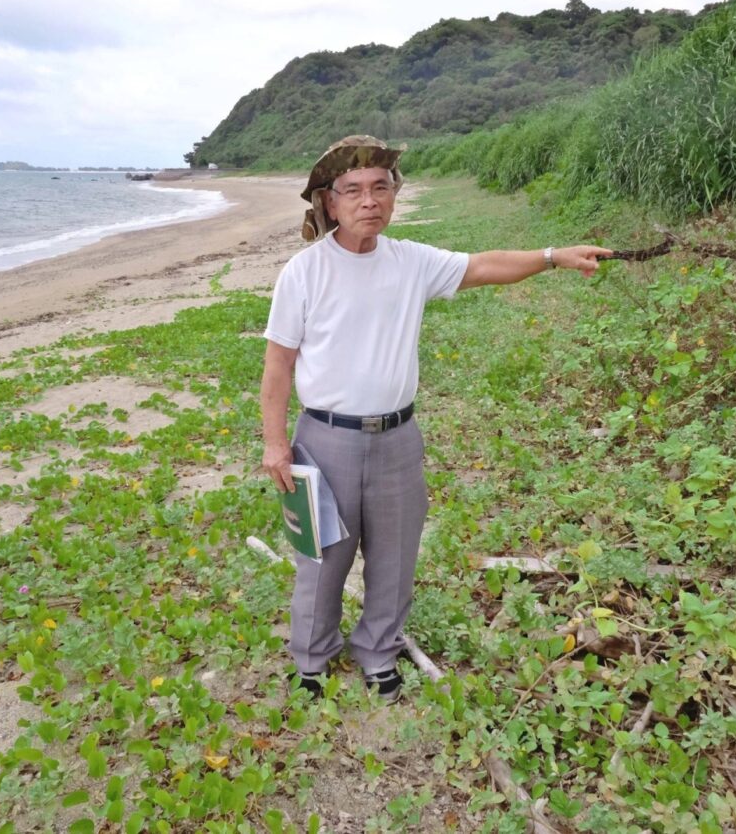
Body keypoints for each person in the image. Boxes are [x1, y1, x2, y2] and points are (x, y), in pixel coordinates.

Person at [260, 135, 612, 701]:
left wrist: (554, 257)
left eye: (381, 187)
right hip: (325, 438)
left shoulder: (411, 262)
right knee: (323, 556)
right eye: (353, 191)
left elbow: (485, 265)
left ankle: (378, 650)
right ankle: (312, 656)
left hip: (398, 436)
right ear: (329, 203)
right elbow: (278, 365)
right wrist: (275, 443)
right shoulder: (304, 273)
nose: (369, 201)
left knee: (396, 553)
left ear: (394, 196)